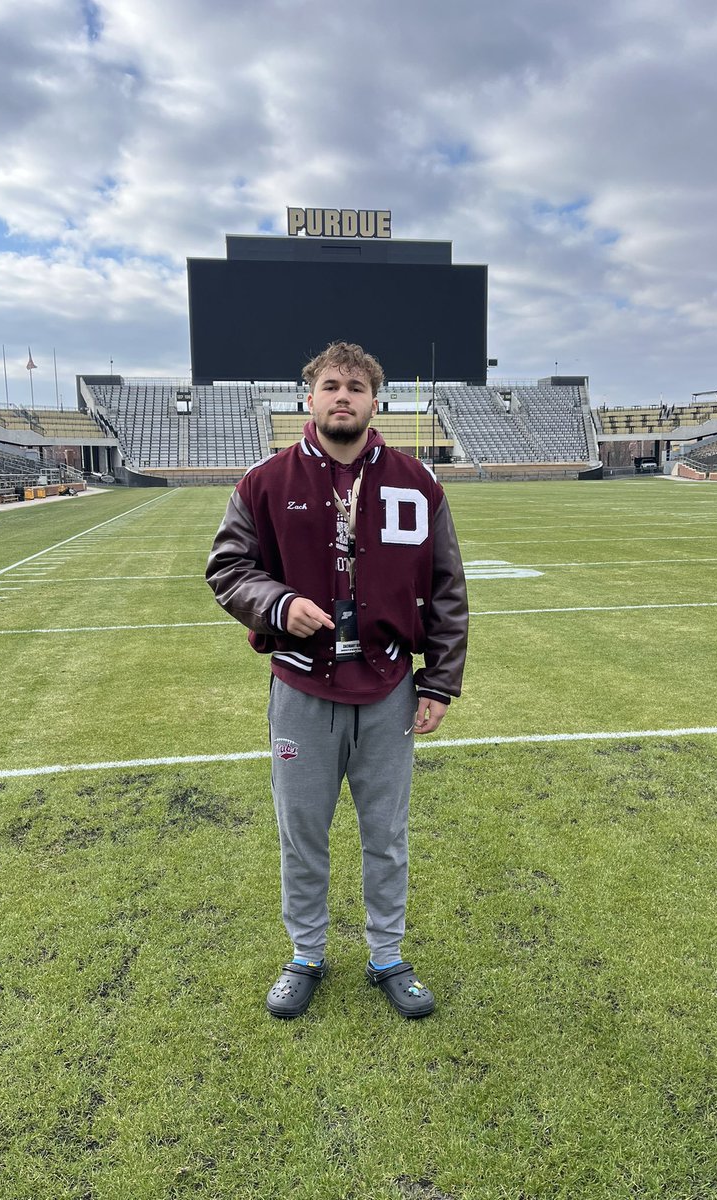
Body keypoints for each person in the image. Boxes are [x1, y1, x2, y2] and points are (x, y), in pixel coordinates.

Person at [206, 341, 468, 1019]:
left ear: (375, 401)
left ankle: (387, 956)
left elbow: (446, 588)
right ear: (310, 398)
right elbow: (227, 569)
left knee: (386, 833)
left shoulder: (419, 482)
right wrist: (278, 605)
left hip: (388, 687)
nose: (343, 395)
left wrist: (438, 682)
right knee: (303, 832)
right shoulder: (265, 482)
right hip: (302, 689)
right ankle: (306, 954)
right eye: (331, 384)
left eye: (357, 385)